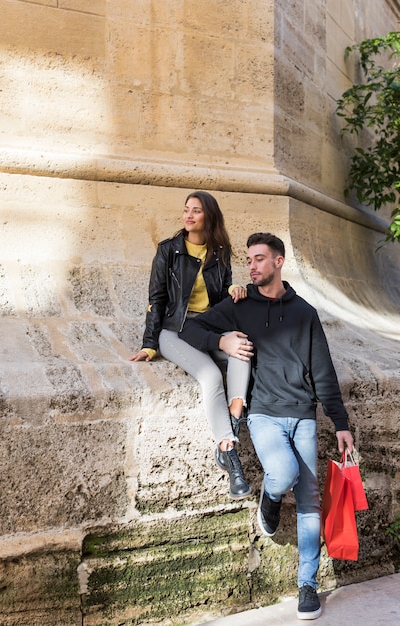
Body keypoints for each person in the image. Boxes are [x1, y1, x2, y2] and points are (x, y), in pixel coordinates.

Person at [179, 232, 354, 621]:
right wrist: (221, 341)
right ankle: (270, 498)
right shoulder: (240, 305)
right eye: (249, 259)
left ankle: (307, 585)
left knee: (309, 498)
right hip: (263, 414)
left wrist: (340, 423)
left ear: (279, 262)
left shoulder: (305, 312)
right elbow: (190, 329)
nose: (252, 266)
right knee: (285, 472)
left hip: (303, 414)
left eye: (259, 259)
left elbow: (323, 371)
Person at [130, 191, 252, 500]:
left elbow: (221, 293)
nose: (188, 215)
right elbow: (156, 300)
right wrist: (150, 345)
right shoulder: (168, 250)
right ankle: (229, 451)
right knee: (211, 376)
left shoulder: (219, 252)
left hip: (209, 326)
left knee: (242, 348)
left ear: (208, 217)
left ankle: (233, 420)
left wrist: (234, 289)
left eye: (196, 211)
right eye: (186, 210)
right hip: (174, 331)